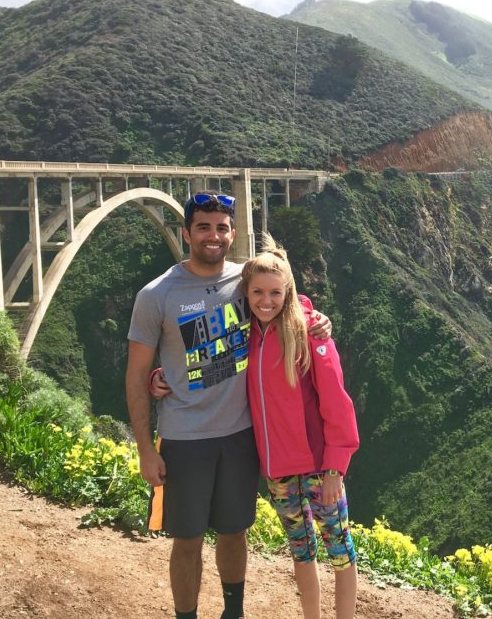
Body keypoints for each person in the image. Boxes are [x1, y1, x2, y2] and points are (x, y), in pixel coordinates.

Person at [125, 191, 331, 619]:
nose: (213, 236)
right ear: (186, 234)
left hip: (240, 435)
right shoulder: (156, 295)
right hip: (185, 439)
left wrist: (317, 319)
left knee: (235, 532)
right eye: (203, 227)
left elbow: (284, 301)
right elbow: (135, 373)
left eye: (221, 228)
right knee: (187, 540)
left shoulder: (245, 281)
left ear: (233, 233)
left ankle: (233, 612)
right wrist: (145, 448)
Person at [242, 236, 359, 619]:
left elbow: (337, 402)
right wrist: (163, 377)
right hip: (278, 474)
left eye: (275, 292)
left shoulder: (308, 331)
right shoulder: (245, 336)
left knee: (340, 552)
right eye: (257, 291)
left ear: (287, 291)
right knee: (301, 552)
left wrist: (335, 468)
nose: (266, 300)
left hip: (317, 469)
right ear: (245, 292)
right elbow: (203, 362)